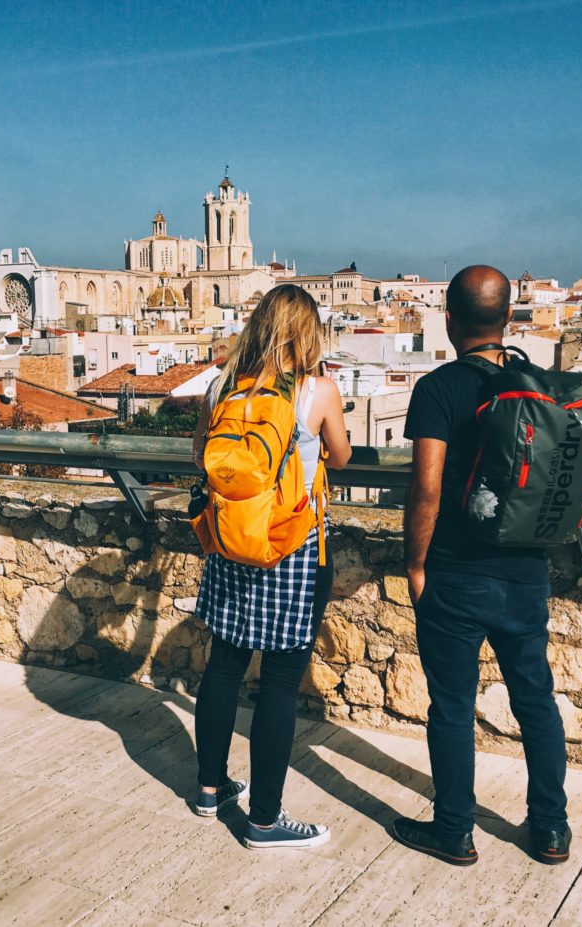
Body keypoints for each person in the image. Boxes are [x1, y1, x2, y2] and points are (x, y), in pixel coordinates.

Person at [395, 265, 571, 866]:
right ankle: (550, 829)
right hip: (526, 571)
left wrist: (415, 563)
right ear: (510, 318)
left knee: (451, 705)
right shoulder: (541, 386)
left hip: (455, 570)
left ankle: (455, 831)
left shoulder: (438, 389)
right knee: (536, 703)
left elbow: (426, 488)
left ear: (447, 319)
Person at [191, 283, 351, 849]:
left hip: (233, 539)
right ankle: (264, 820)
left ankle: (210, 791)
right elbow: (343, 454)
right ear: (308, 335)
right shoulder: (317, 390)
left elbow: (202, 455)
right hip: (289, 544)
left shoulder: (222, 385)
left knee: (224, 666)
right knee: (280, 682)